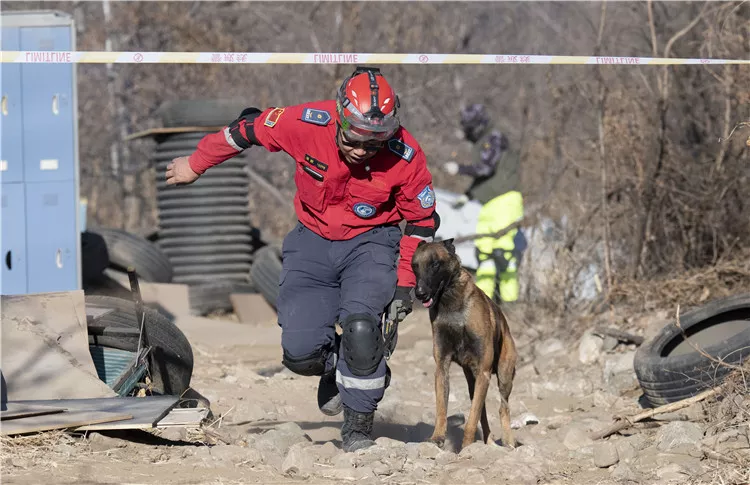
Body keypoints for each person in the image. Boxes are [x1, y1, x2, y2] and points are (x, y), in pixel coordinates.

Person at [165, 66, 438, 452]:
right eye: (356, 139)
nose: (363, 150)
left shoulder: (405, 155)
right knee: (300, 353)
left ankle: (358, 429)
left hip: (372, 243)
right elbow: (246, 129)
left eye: (374, 143)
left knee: (361, 331)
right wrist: (196, 163)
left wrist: (405, 285)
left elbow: (422, 223)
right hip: (312, 240)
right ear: (341, 119)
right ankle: (335, 368)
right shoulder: (306, 123)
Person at [441, 103, 525, 304]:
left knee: (504, 253)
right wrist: (468, 195)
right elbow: (486, 178)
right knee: (484, 253)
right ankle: (485, 303)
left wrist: (459, 169)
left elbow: (486, 169)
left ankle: (510, 304)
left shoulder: (494, 138)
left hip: (506, 202)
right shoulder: (483, 142)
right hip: (489, 204)